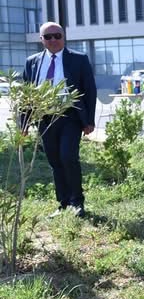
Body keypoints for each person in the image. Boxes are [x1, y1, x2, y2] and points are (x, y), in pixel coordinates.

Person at [23, 21, 97, 217]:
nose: (54, 39)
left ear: (64, 37)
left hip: (70, 115)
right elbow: (26, 94)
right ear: (42, 40)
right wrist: (23, 123)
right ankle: (63, 203)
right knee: (55, 161)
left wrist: (89, 120)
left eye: (57, 35)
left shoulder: (79, 59)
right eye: (48, 36)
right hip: (45, 118)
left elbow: (89, 89)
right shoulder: (32, 62)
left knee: (68, 157)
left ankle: (77, 202)